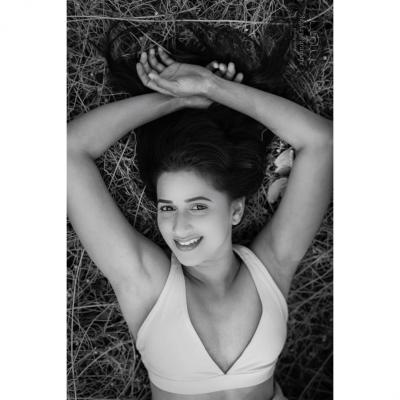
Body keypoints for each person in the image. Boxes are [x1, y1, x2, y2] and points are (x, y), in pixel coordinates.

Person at [67, 25, 332, 400]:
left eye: (198, 206)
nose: (179, 226)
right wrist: (180, 99)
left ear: (236, 210)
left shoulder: (271, 268)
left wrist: (211, 87)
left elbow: (322, 143)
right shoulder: (145, 284)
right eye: (167, 207)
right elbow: (67, 151)